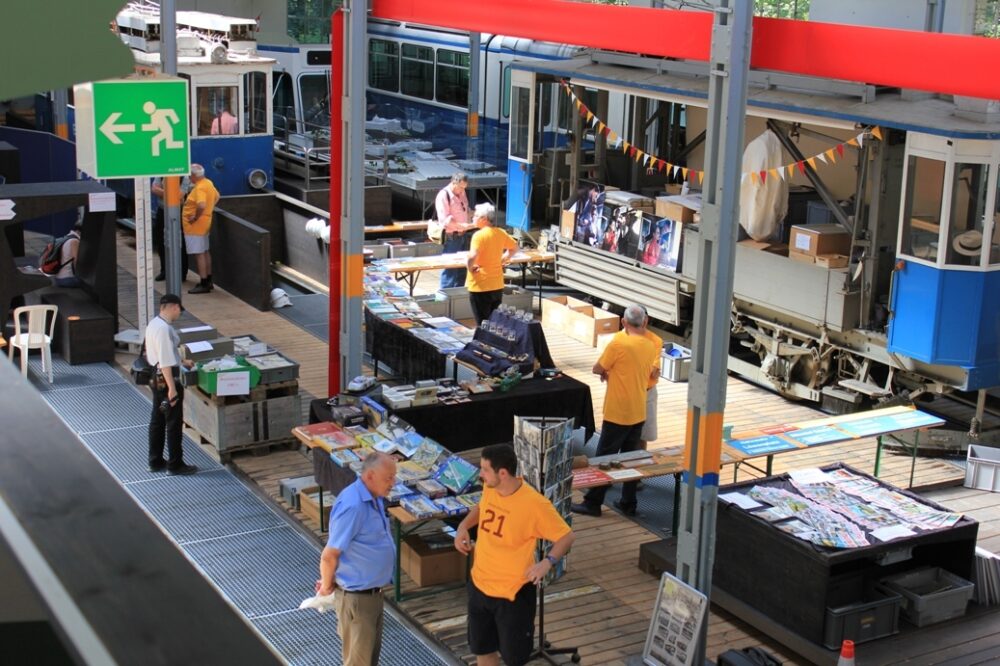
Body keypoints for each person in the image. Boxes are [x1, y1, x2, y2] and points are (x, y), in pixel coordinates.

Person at [454, 444, 576, 666]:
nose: (480, 474)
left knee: (514, 659)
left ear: (502, 473)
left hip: (513, 595)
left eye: (484, 469)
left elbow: (566, 536)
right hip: (480, 586)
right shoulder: (491, 487)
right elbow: (482, 507)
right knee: (482, 650)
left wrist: (547, 562)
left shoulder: (534, 504)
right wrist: (463, 526)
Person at [572, 304, 659, 517]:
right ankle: (629, 503)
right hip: (638, 410)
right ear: (644, 322)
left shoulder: (619, 342)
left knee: (603, 458)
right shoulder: (651, 344)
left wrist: (608, 373)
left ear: (623, 322)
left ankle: (593, 502)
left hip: (618, 411)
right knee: (632, 458)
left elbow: (597, 368)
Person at [316, 451, 397, 666]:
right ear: (370, 476)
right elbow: (329, 555)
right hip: (358, 601)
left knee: (368, 661)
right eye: (388, 478)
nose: (393, 483)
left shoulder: (374, 497)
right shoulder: (353, 506)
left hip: (371, 597)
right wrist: (326, 586)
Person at [145, 293, 197, 476]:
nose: (178, 315)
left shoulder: (153, 324)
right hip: (166, 380)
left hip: (154, 376)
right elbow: (165, 362)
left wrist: (181, 361)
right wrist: (173, 390)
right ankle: (175, 464)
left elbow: (160, 354)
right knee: (173, 422)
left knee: (157, 420)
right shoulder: (164, 330)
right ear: (175, 307)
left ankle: (155, 460)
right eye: (179, 311)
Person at [466, 203, 518, 325]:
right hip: (497, 284)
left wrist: (469, 267)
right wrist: (504, 258)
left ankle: (483, 343)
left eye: (476, 216)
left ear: (484, 219)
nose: (472, 218)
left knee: (482, 323)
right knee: (494, 322)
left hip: (480, 284)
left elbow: (472, 256)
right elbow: (515, 247)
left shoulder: (478, 235)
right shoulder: (500, 232)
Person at [182, 164, 220, 294]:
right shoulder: (208, 183)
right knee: (204, 251)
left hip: (196, 226)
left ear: (193, 176)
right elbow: (217, 196)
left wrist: (195, 217)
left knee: (199, 254)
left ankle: (203, 282)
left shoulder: (199, 188)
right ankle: (208, 280)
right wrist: (208, 210)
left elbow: (201, 205)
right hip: (205, 223)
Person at [151, 176, 191, 281]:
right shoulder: (161, 174)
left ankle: (182, 273)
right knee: (161, 241)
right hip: (162, 210)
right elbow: (154, 189)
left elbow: (180, 195)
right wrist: (172, 194)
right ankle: (164, 271)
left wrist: (163, 192)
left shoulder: (185, 178)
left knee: (180, 242)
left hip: (178, 211)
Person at [437, 173, 472, 289]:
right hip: (452, 236)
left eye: (464, 188)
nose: (462, 190)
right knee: (449, 268)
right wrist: (461, 225)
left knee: (462, 268)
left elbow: (465, 209)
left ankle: (457, 294)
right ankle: (444, 295)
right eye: (461, 187)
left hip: (463, 235)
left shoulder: (462, 192)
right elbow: (445, 220)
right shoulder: (443, 195)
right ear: (454, 183)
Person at [53, 220, 82, 287]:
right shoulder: (74, 241)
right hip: (67, 280)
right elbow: (76, 262)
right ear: (79, 231)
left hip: (58, 278)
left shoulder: (67, 237)